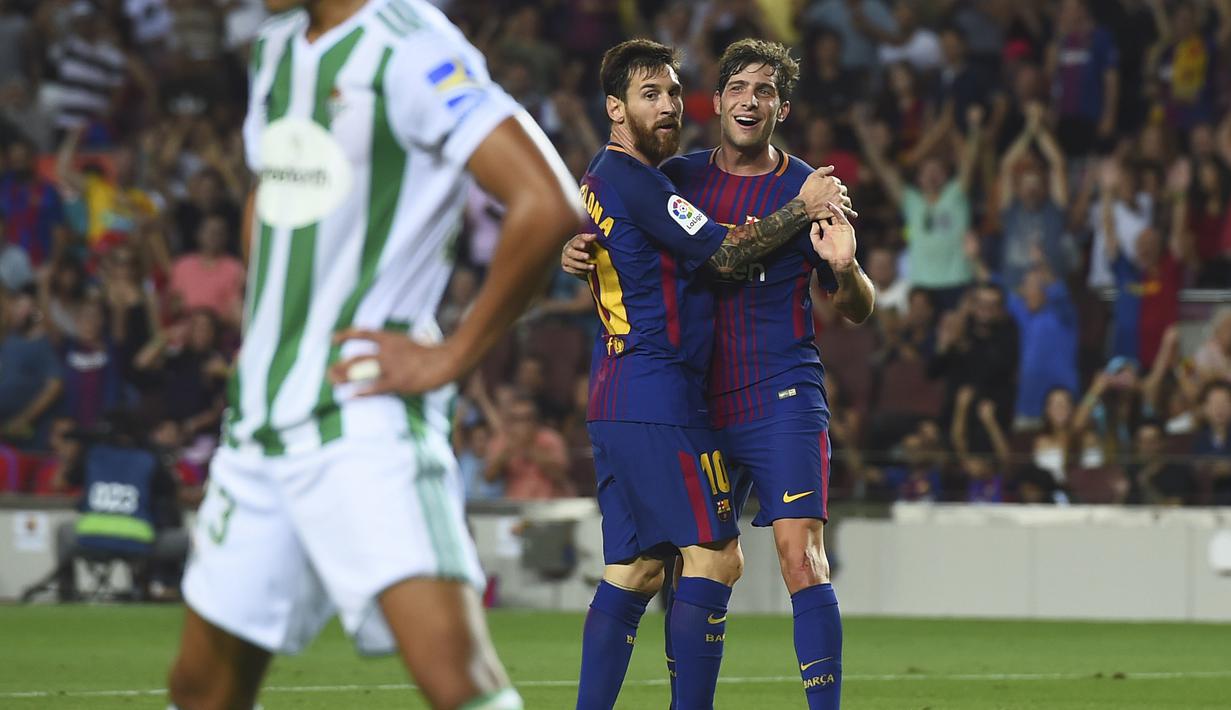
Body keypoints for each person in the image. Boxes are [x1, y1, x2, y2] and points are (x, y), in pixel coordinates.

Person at [165, 1, 584, 709]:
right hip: (261, 426)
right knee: (201, 691)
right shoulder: (274, 51)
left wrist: (451, 356)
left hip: (358, 421)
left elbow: (546, 203)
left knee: (457, 682)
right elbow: (274, 192)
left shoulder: (410, 47)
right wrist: (270, 325)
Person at [563, 39, 867, 710]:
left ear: (780, 107)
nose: (748, 100)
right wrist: (577, 244)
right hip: (682, 398)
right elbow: (712, 251)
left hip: (777, 392)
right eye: (737, 87)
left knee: (786, 557)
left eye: (764, 90)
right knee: (703, 561)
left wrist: (844, 270)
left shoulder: (806, 185)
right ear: (721, 98)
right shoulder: (672, 176)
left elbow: (857, 309)